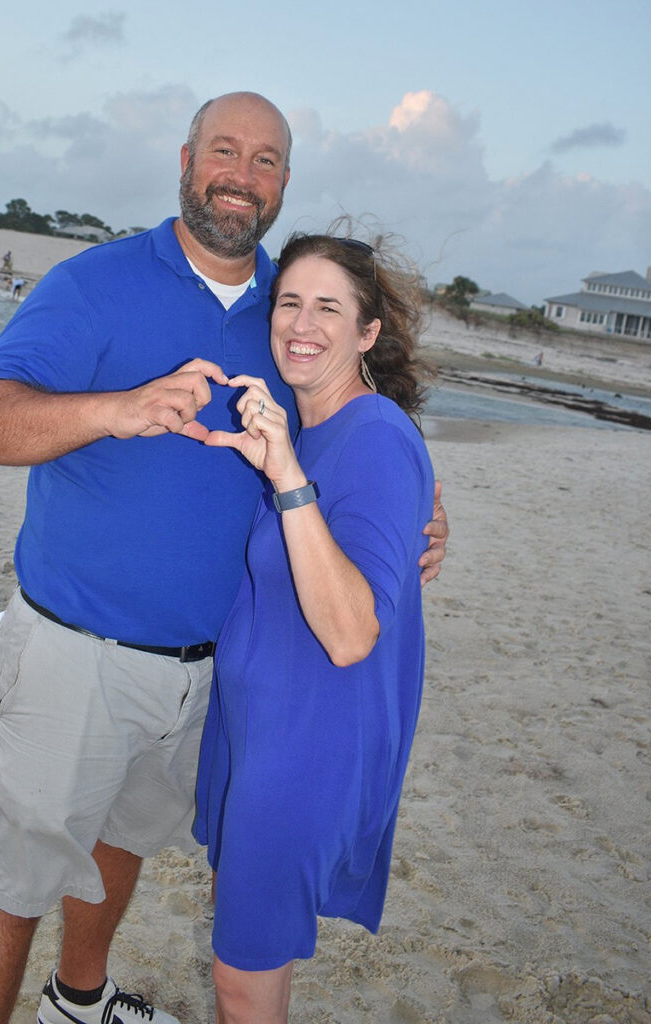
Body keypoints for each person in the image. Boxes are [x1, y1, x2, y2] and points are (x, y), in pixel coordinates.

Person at [0, 92, 449, 1024]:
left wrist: (421, 510)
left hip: (211, 673)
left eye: (265, 162)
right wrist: (116, 408)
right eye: (225, 151)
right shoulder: (93, 283)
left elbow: (348, 427)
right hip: (76, 652)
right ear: (186, 160)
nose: (241, 175)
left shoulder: (285, 303)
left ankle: (78, 1000)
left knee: (125, 844)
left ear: (284, 184)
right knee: (13, 880)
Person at [193, 231, 434, 1023]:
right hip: (261, 728)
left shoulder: (375, 436)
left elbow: (351, 632)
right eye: (289, 301)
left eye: (328, 306)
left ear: (368, 332)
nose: (302, 322)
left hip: (310, 743)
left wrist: (288, 478)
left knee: (241, 978)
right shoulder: (313, 427)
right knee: (259, 958)